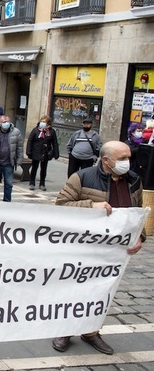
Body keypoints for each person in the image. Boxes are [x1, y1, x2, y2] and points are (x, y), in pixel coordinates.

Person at [52, 141, 144, 355]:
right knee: (75, 289)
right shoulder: (82, 177)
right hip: (84, 247)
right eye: (122, 158)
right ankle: (65, 329)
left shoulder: (133, 181)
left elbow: (138, 213)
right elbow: (61, 206)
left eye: (128, 157)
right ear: (106, 160)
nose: (127, 162)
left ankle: (91, 331)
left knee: (102, 292)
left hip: (114, 252)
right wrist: (90, 206)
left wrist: (140, 237)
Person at [0, 115, 24, 202]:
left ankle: (7, 201)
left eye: (8, 121)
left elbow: (20, 147)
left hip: (9, 163)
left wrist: (19, 159)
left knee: (9, 184)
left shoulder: (16, 132)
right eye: (4, 122)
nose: (6, 124)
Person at [26, 115, 59, 191]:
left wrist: (56, 154)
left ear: (48, 123)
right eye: (41, 121)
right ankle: (32, 183)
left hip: (45, 152)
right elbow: (30, 141)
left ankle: (42, 183)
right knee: (34, 168)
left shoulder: (51, 131)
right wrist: (29, 151)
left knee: (43, 169)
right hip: (36, 151)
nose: (42, 123)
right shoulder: (35, 130)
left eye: (44, 122)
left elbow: (54, 143)